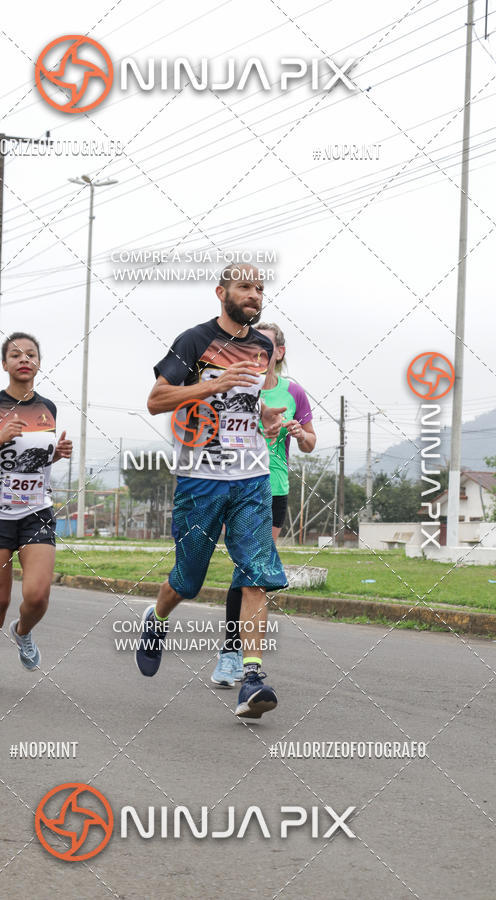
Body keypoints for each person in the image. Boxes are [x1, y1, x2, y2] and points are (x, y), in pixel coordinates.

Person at [134, 264, 288, 719]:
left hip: (252, 476)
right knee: (189, 578)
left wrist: (267, 422)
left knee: (257, 571)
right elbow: (156, 399)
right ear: (221, 292)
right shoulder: (194, 342)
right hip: (200, 477)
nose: (254, 294)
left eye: (260, 288)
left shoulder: (262, 347)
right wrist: (212, 383)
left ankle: (253, 678)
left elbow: (248, 403)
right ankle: (156, 619)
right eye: (245, 287)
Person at [0, 332, 72, 693]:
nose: (24, 359)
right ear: (5, 364)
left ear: (39, 362)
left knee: (37, 595)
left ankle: (23, 632)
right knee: (0, 600)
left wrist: (57, 453)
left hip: (36, 510)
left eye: (31, 354)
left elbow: (33, 460)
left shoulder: (48, 408)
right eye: (15, 354)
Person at [211, 322, 316, 688]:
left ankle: (238, 654)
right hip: (238, 485)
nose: (258, 352)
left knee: (254, 571)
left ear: (279, 353)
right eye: (252, 346)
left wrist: (301, 434)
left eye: (266, 346)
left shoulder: (294, 393)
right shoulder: (237, 388)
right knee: (249, 567)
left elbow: (310, 442)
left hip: (276, 488)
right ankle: (232, 655)